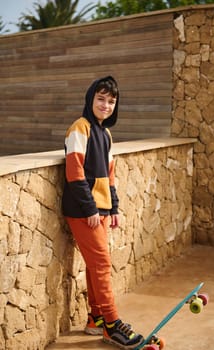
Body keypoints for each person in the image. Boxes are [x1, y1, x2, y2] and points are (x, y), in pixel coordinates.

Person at [62, 76, 144, 349]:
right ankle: (111, 323)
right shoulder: (79, 128)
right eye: (101, 99)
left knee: (96, 266)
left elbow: (109, 176)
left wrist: (115, 207)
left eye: (111, 101)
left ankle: (96, 318)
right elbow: (74, 174)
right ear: (90, 99)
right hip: (84, 211)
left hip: (102, 210)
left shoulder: (105, 134)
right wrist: (90, 208)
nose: (106, 105)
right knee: (101, 266)